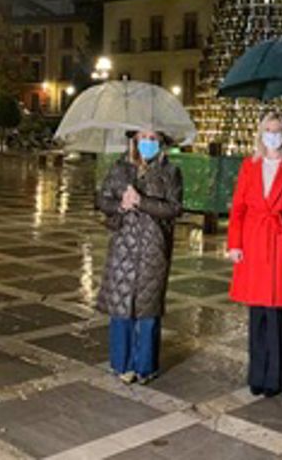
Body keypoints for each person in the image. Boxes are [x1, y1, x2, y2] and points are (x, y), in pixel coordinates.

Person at [227, 111, 282, 397]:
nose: (273, 134)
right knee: (256, 312)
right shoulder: (249, 165)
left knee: (275, 312)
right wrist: (234, 244)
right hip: (253, 241)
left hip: (280, 242)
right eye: (268, 129)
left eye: (278, 129)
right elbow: (238, 207)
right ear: (260, 133)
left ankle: (275, 378)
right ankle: (257, 375)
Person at [96, 128, 182, 384]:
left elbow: (174, 208)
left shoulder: (170, 172)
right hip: (123, 247)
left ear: (162, 142)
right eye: (143, 138)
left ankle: (145, 366)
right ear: (134, 140)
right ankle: (121, 364)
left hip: (154, 248)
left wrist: (141, 202)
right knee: (121, 308)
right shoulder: (120, 168)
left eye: (153, 138)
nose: (148, 142)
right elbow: (102, 200)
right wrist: (121, 204)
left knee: (148, 309)